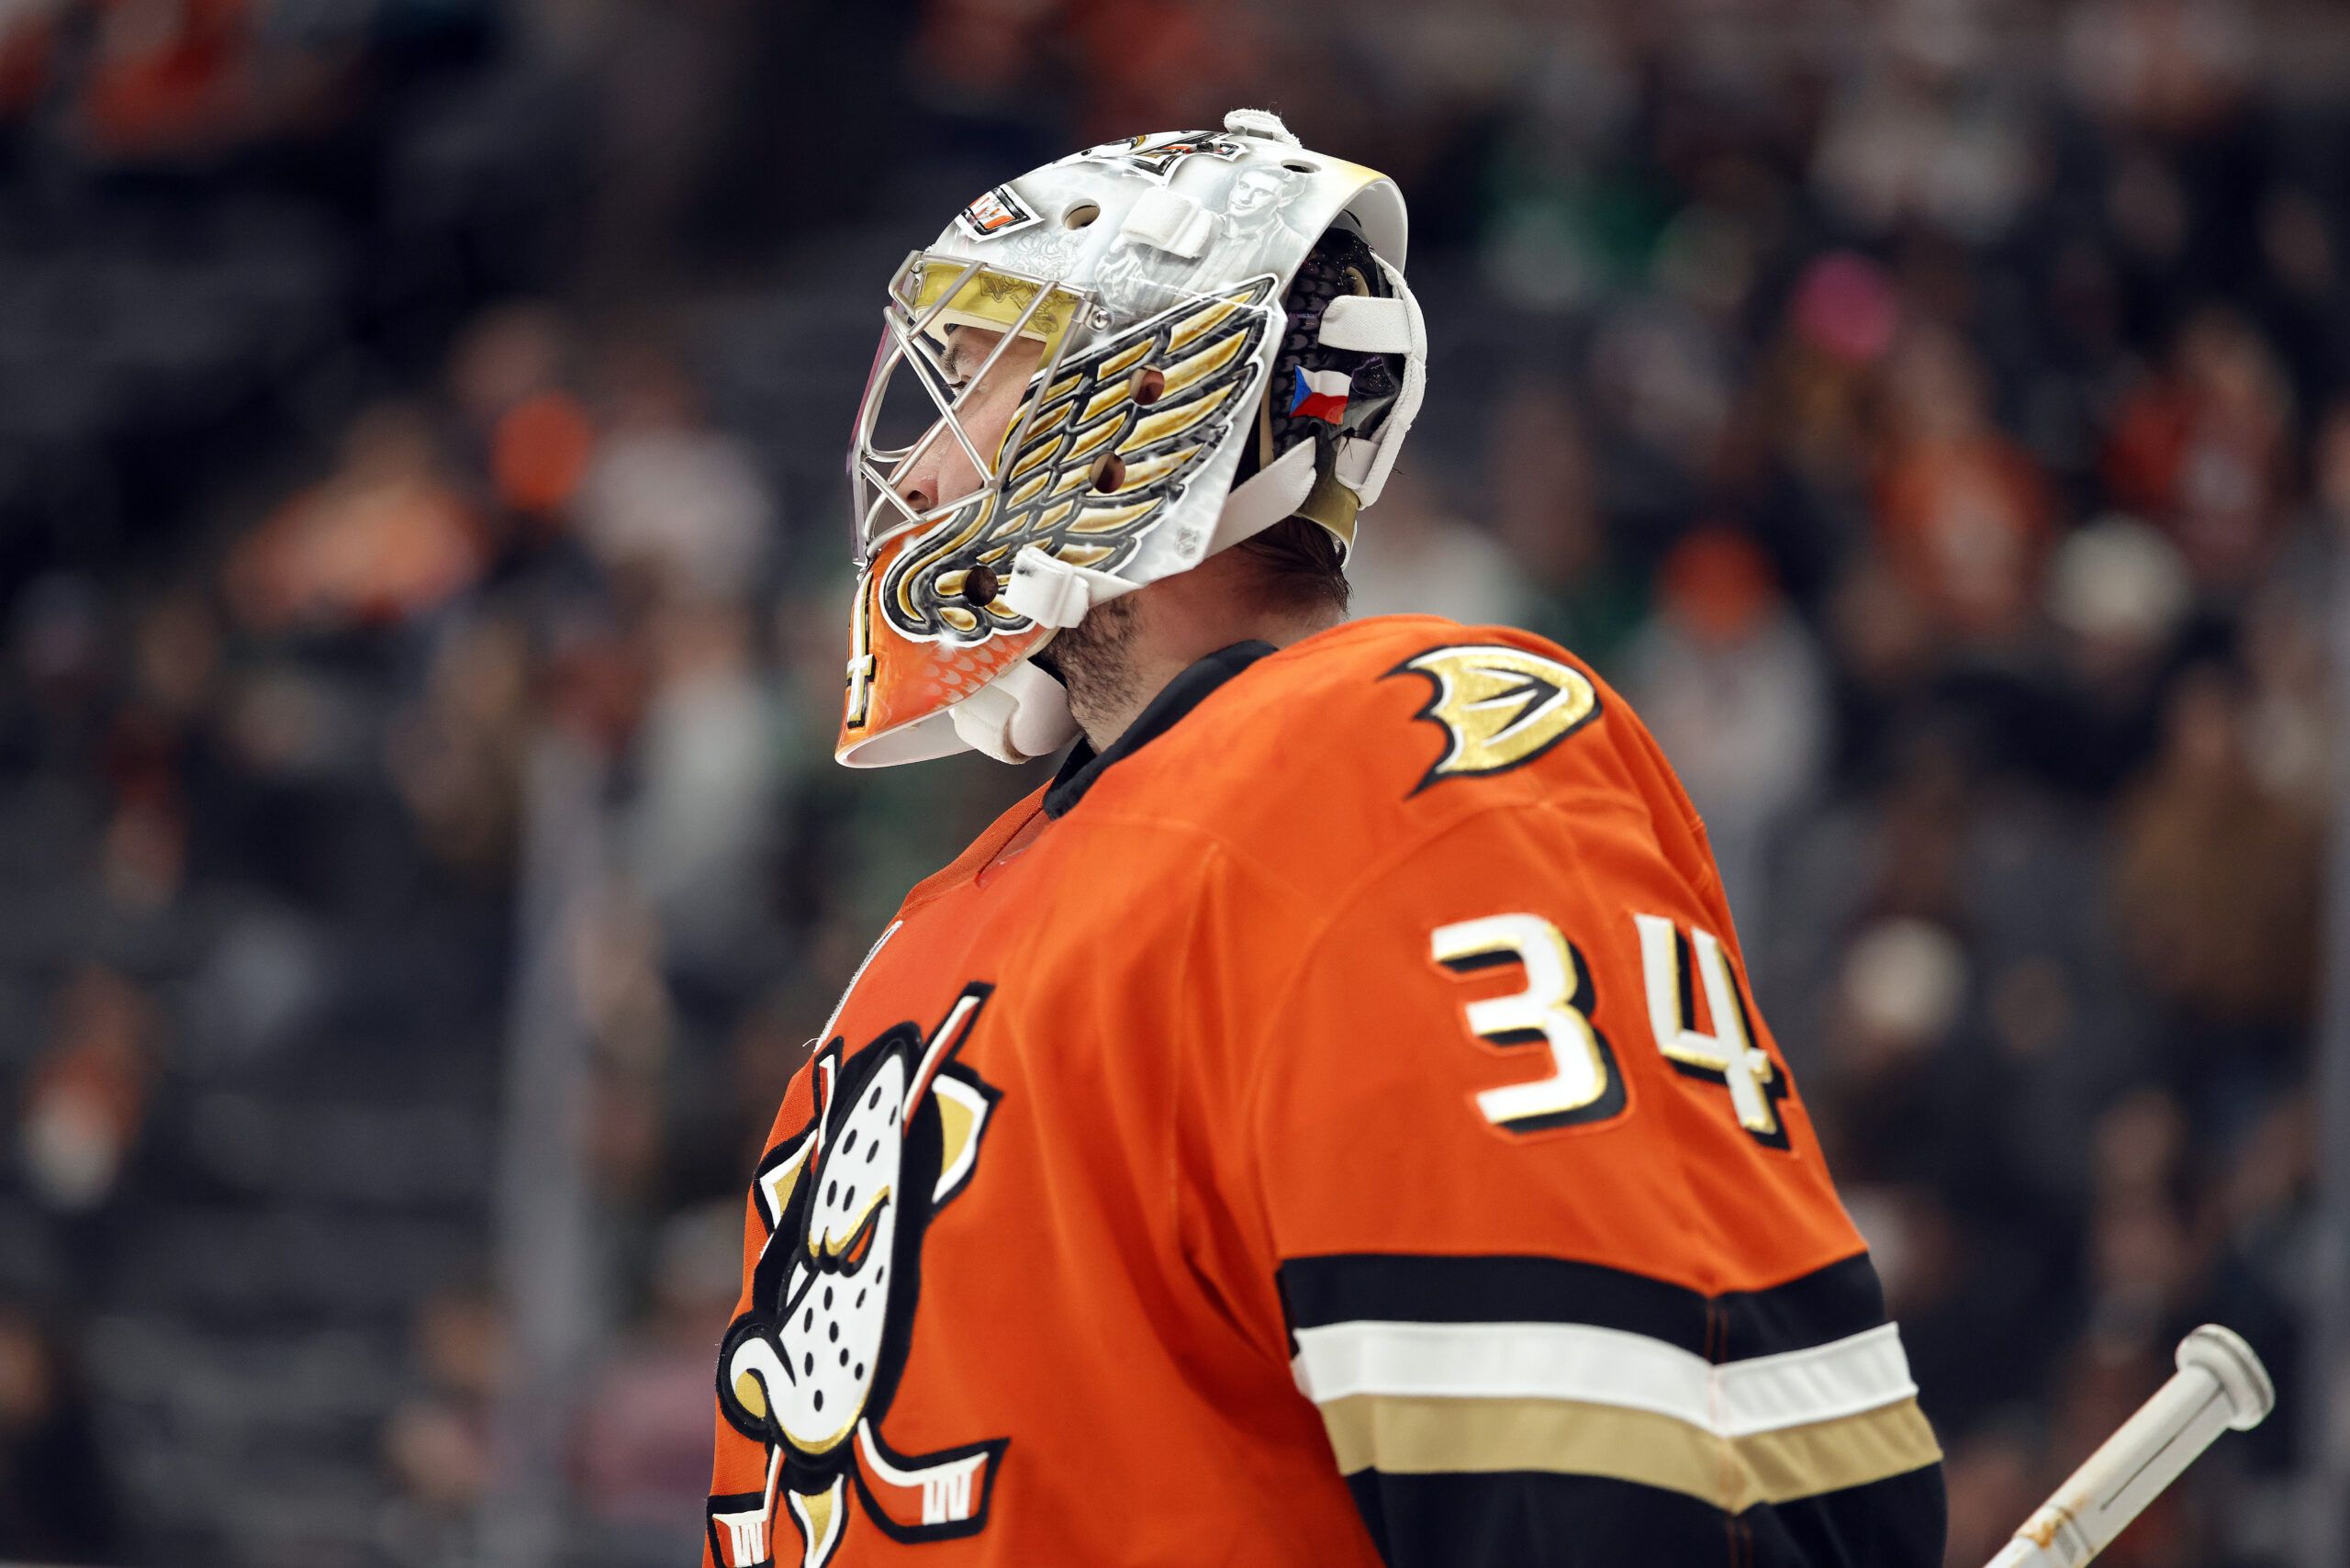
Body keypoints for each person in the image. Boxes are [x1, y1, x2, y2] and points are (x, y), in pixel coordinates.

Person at [704, 112, 1946, 1568]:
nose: (915, 478)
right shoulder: (935, 924)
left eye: (978, 383)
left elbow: (1609, 1460)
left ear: (1141, 407)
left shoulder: (1387, 758)